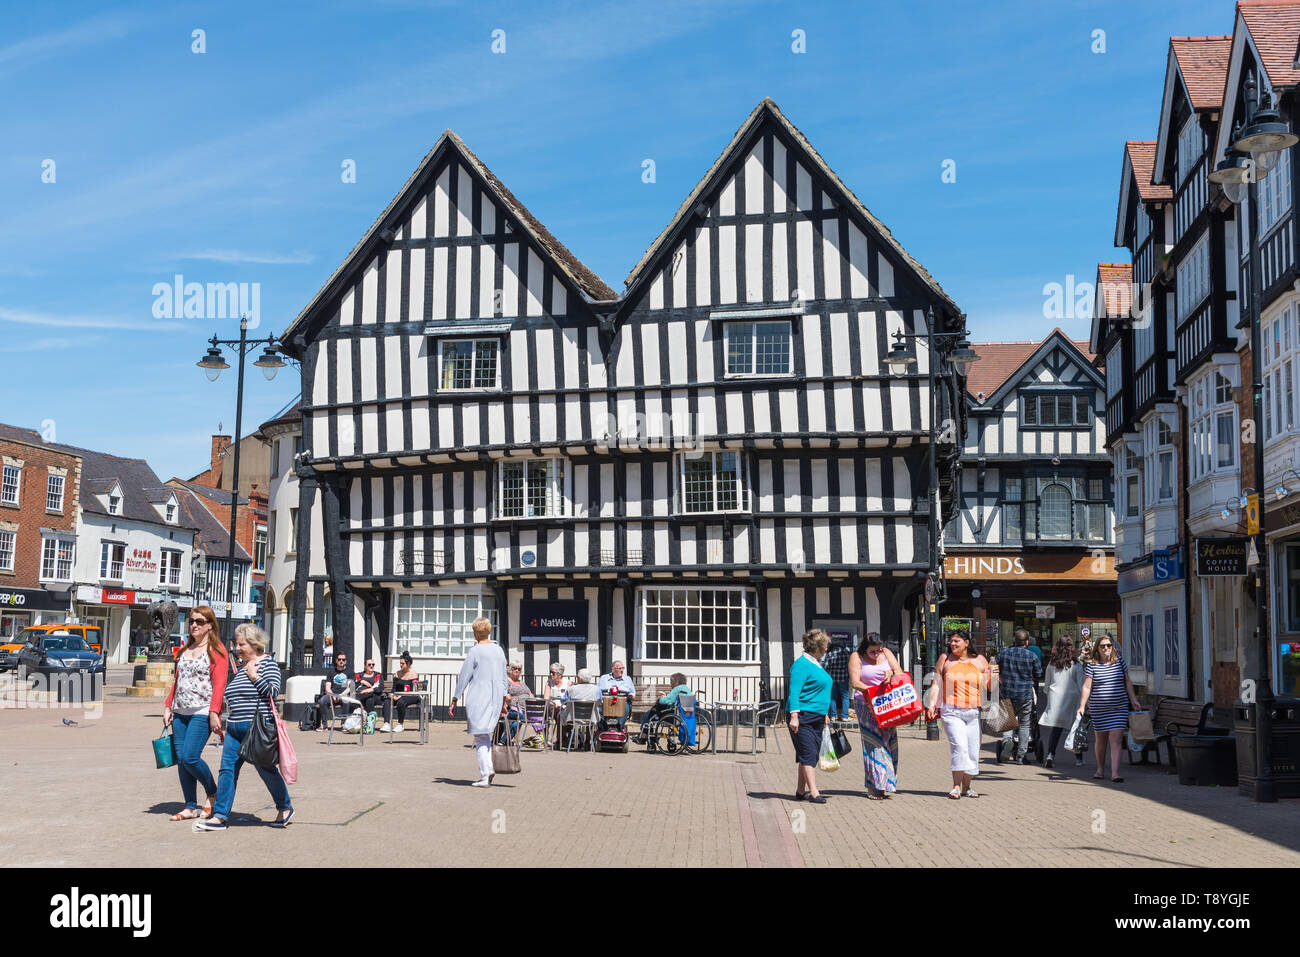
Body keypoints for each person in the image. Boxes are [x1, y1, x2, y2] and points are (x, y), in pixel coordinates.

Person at [194, 624, 293, 830]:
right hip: (234, 727)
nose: (237, 648)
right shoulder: (241, 667)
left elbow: (273, 692)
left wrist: (254, 676)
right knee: (227, 770)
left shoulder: (268, 664)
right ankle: (220, 816)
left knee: (265, 769)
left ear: (254, 643)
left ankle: (284, 806)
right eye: (237, 644)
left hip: (256, 727)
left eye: (241, 644)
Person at [162, 605, 229, 821]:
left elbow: (219, 685)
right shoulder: (185, 650)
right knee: (181, 761)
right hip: (180, 711)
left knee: (190, 757)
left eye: (199, 621)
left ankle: (212, 791)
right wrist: (167, 706)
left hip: (202, 710)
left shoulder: (217, 651)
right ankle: (190, 806)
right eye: (192, 621)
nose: (194, 625)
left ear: (210, 625)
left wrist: (214, 712)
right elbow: (178, 681)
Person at [925, 629, 991, 799]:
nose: (952, 644)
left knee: (972, 751)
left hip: (973, 712)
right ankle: (955, 786)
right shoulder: (945, 659)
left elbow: (991, 687)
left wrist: (994, 674)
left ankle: (967, 787)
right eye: (951, 641)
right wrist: (932, 704)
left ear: (967, 643)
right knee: (960, 747)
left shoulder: (980, 660)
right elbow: (937, 683)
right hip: (951, 711)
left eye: (956, 641)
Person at [449, 618, 510, 787]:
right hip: (495, 698)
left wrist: (455, 698)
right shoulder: (499, 650)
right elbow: (504, 679)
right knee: (485, 735)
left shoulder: (475, 651)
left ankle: (485, 774)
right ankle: (487, 769)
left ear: (475, 632)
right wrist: (504, 700)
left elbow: (464, 677)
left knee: (480, 736)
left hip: (479, 698)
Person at [1077, 633, 1141, 783]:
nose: (1106, 648)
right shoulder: (1092, 665)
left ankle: (1115, 773)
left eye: (1109, 645)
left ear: (1113, 647)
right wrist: (1082, 705)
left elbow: (1128, 682)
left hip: (1119, 707)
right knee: (1101, 740)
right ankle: (1100, 769)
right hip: (1099, 709)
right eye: (1103, 646)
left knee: (1116, 739)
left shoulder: (1120, 662)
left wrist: (1133, 700)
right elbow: (1087, 687)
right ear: (1097, 648)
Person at [848, 632, 902, 799]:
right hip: (865, 704)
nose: (877, 654)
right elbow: (855, 682)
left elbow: (899, 672)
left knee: (889, 742)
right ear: (865, 649)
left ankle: (884, 784)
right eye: (872, 651)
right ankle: (874, 787)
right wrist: (872, 693)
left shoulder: (886, 653)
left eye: (878, 650)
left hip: (886, 703)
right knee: (874, 743)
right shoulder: (856, 657)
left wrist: (891, 673)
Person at [787, 628, 833, 804]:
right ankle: (814, 792)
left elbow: (820, 690)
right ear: (817, 647)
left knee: (805, 753)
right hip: (803, 715)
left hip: (817, 716)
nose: (826, 650)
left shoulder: (815, 663)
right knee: (809, 753)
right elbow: (794, 692)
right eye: (825, 647)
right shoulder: (801, 665)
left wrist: (825, 713)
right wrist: (794, 716)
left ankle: (800, 791)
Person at [995, 629, 1043, 764]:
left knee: (1008, 722)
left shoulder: (1003, 654)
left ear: (1013, 641)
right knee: (1024, 724)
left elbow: (993, 668)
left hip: (1007, 693)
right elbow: (1039, 673)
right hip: (1025, 695)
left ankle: (1007, 742)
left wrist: (1000, 679)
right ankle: (1021, 756)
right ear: (1026, 642)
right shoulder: (1032, 656)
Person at [1038, 636, 1084, 768]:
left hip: (1055, 698)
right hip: (1072, 698)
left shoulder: (1051, 664)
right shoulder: (1076, 664)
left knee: (1056, 729)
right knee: (1075, 729)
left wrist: (1048, 694)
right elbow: (1081, 685)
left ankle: (1050, 754)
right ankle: (1078, 758)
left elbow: (1046, 685)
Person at [634, 672, 691, 743]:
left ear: (676, 682)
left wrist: (661, 698)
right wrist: (666, 696)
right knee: (653, 713)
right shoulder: (687, 690)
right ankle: (649, 734)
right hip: (685, 716)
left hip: (673, 716)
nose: (670, 684)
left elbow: (666, 701)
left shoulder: (677, 689)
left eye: (671, 682)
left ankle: (644, 735)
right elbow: (673, 700)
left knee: (650, 713)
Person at [317, 652, 360, 729]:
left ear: (345, 661)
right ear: (336, 661)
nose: (341, 661)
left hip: (344, 695)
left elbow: (350, 687)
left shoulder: (350, 672)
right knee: (322, 701)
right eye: (339, 659)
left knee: (346, 701)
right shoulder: (331, 672)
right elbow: (327, 686)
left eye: (343, 659)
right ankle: (324, 724)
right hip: (332, 694)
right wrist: (332, 695)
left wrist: (341, 695)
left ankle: (343, 724)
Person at [381, 651, 420, 733]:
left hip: (410, 696)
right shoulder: (397, 673)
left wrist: (401, 696)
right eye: (400, 663)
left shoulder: (414, 674)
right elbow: (394, 688)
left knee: (401, 702)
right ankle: (386, 723)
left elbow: (413, 689)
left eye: (403, 663)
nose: (401, 665)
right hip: (397, 695)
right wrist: (392, 695)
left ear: (408, 663)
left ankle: (400, 724)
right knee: (387, 701)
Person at [596, 660, 636, 731]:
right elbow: (597, 692)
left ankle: (618, 727)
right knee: (597, 710)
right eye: (619, 668)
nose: (622, 670)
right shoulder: (603, 678)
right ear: (613, 669)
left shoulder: (627, 679)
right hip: (605, 703)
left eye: (623, 668)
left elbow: (633, 693)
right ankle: (604, 729)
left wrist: (631, 695)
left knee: (625, 708)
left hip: (622, 703)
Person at [821, 637, 852, 722]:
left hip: (832, 679)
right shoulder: (846, 653)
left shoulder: (829, 654)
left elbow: (825, 666)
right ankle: (845, 716)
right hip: (844, 678)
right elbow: (850, 665)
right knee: (845, 697)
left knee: (832, 697)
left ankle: (833, 716)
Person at [504, 661, 534, 742]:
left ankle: (541, 736)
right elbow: (505, 695)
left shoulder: (522, 682)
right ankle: (512, 739)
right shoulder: (507, 681)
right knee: (518, 714)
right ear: (510, 669)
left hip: (527, 707)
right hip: (514, 706)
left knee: (540, 714)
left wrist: (533, 700)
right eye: (515, 668)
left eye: (519, 669)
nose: (517, 670)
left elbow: (530, 693)